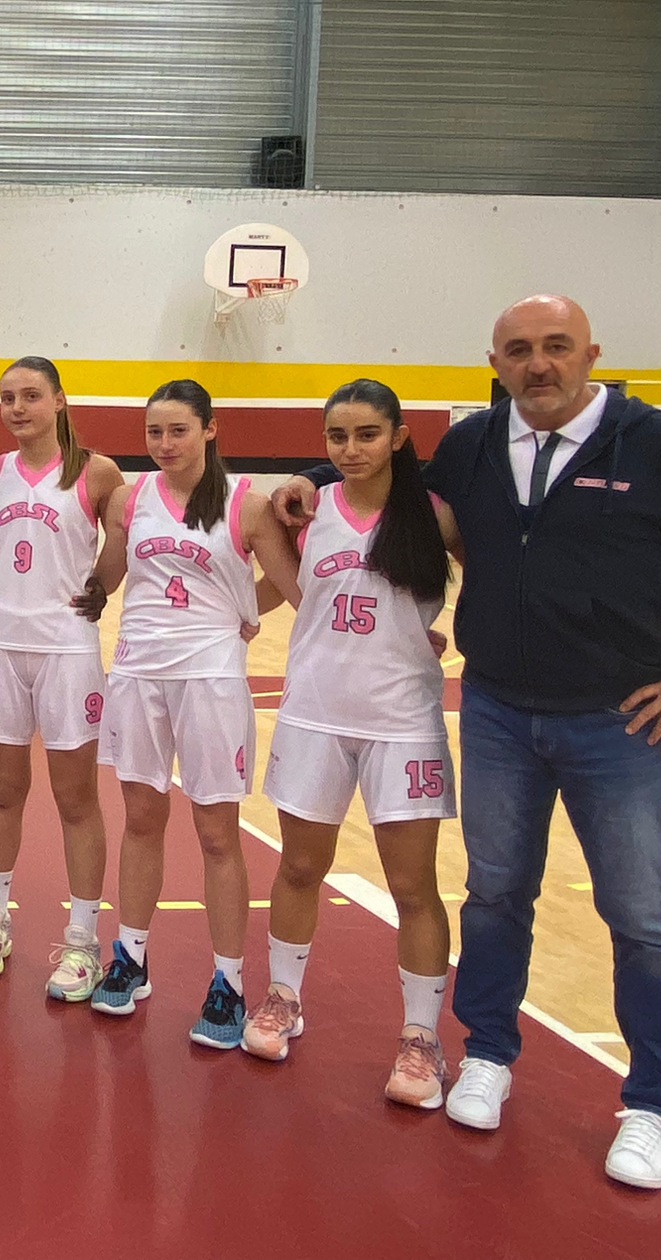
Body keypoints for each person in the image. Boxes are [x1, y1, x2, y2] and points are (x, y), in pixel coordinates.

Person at [271, 296, 661, 1189]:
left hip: (618, 719)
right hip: (497, 710)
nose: (538, 364)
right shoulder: (474, 444)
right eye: (519, 350)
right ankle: (486, 1054)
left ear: (591, 353)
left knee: (641, 917)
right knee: (495, 895)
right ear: (495, 362)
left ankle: (652, 1105)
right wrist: (309, 479)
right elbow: (390, 490)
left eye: (556, 346)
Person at [242, 380, 456, 1110]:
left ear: (399, 436)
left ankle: (421, 1037)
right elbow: (268, 580)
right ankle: (282, 997)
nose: (351, 448)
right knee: (301, 866)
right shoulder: (305, 511)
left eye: (367, 434)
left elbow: (500, 583)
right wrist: (224, 617)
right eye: (337, 436)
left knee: (413, 887)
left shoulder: (435, 515)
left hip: (404, 722)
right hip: (315, 714)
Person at [86, 381, 279, 1050]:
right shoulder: (129, 498)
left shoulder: (246, 504)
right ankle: (130, 958)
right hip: (138, 670)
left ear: (209, 429)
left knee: (217, 832)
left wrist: (243, 614)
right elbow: (110, 575)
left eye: (178, 430)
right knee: (141, 819)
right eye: (154, 432)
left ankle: (228, 982)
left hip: (209, 678)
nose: (165, 444)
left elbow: (293, 579)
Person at [0, 358, 122, 990]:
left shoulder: (97, 472)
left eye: (31, 396)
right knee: (1, 790)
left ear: (60, 400)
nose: (17, 408)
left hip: (65, 649)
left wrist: (103, 586)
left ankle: (82, 941)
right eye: (7, 398)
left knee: (77, 799)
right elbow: (0, 550)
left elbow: (123, 540)